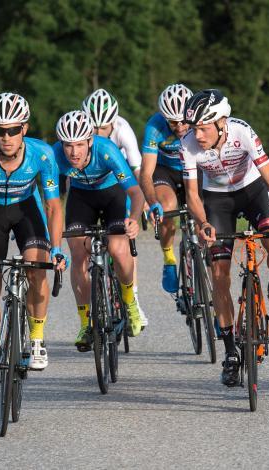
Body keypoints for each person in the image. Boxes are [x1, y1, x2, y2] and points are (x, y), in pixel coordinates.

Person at [180, 89, 269, 387]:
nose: (198, 134)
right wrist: (203, 222)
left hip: (252, 191)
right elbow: (193, 194)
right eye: (195, 128)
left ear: (222, 123)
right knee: (219, 274)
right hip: (217, 200)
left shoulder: (242, 131)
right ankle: (231, 353)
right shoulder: (188, 145)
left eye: (204, 128)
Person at [0, 92, 66, 391]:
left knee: (37, 267)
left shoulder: (42, 154)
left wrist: (56, 247)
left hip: (26, 212)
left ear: (25, 129)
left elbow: (54, 206)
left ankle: (36, 339)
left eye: (13, 130)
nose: (6, 137)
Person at [53, 110, 145, 346]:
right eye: (68, 145)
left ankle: (129, 301)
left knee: (117, 248)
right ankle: (85, 324)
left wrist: (134, 219)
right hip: (81, 199)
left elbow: (135, 192)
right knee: (78, 252)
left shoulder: (106, 150)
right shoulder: (55, 155)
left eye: (80, 145)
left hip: (112, 196)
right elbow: (49, 199)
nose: (74, 152)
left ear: (90, 141)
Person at [82, 88, 148, 329]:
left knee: (124, 243)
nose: (98, 134)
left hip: (120, 184)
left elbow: (137, 171)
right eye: (94, 128)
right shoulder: (80, 133)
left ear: (113, 122)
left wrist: (144, 203)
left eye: (103, 129)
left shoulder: (123, 129)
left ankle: (135, 300)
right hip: (89, 188)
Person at [140, 83, 193, 294]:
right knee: (168, 206)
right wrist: (152, 203)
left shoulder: (199, 119)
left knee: (203, 215)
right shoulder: (154, 127)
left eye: (183, 121)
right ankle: (169, 257)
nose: (180, 127)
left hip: (193, 169)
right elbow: (145, 172)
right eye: (173, 122)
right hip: (165, 171)